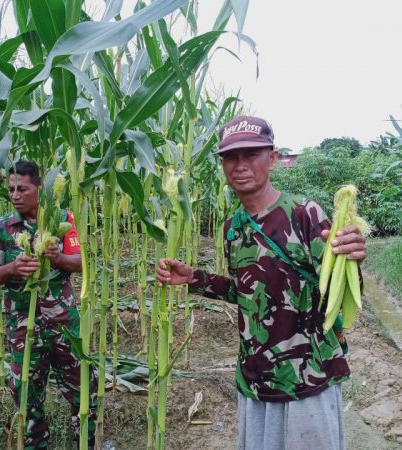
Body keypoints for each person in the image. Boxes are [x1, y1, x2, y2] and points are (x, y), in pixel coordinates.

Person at [156, 116, 367, 450]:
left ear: (272, 158)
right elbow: (247, 293)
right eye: (230, 157)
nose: (240, 165)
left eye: (250, 154)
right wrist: (195, 278)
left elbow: (340, 291)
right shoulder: (233, 227)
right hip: (256, 380)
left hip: (305, 379)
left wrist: (353, 260)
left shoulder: (304, 214)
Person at [0, 160, 97, 449]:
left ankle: (86, 440)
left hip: (64, 326)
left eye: (22, 188)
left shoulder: (64, 220)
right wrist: (12, 268)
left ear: (39, 188)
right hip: (23, 329)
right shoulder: (0, 227)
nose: (15, 195)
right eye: (11, 189)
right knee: (25, 393)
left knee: (84, 388)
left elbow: (83, 263)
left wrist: (57, 258)